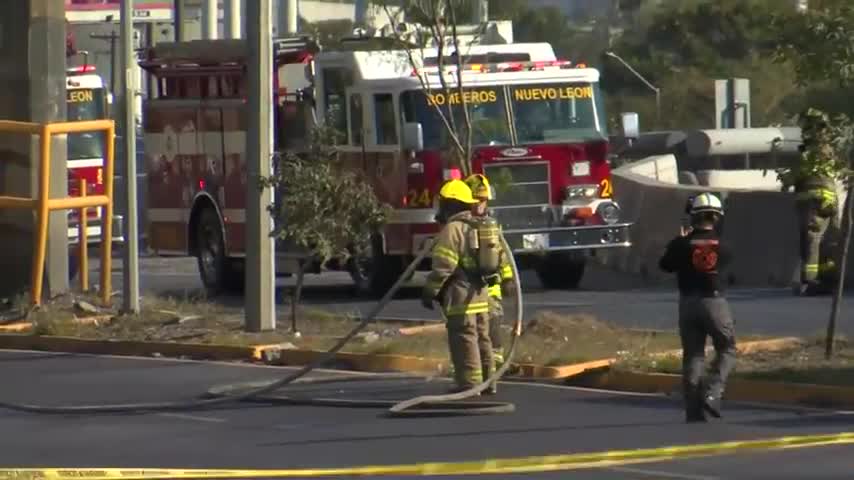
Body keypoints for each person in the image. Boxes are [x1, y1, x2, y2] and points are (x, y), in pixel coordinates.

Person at [659, 193, 736, 423]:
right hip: (714, 302)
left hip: (687, 303)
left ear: (693, 217)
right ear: (717, 217)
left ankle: (693, 411)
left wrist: (679, 242)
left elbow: (665, 266)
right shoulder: (725, 246)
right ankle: (713, 392)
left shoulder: (681, 244)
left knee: (693, 355)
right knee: (727, 348)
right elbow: (728, 271)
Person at [422, 179, 495, 395]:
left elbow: (444, 266)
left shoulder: (453, 229)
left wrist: (430, 291)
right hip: (481, 295)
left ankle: (469, 384)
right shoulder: (480, 225)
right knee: (483, 338)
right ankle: (489, 381)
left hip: (461, 297)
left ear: (450, 205)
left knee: (464, 338)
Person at [464, 174, 514, 374]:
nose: (479, 205)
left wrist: (508, 278)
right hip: (467, 287)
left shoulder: (491, 225)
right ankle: (473, 366)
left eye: (483, 200)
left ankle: (496, 362)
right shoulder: (461, 225)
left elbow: (501, 253)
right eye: (475, 200)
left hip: (490, 285)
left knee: (493, 320)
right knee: (469, 329)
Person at [792, 109, 841, 296]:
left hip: (812, 202)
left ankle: (811, 281)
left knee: (811, 240)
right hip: (829, 199)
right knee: (830, 239)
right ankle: (829, 278)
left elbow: (796, 178)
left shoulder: (805, 152)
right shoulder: (829, 149)